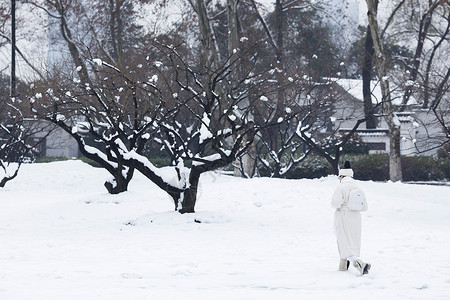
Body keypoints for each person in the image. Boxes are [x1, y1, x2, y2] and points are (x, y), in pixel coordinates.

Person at [331, 161, 371, 276]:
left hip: (343, 216)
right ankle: (343, 267)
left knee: (343, 240)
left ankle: (360, 265)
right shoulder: (358, 187)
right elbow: (365, 207)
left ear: (342, 175)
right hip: (356, 217)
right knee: (353, 241)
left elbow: (335, 203)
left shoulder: (341, 186)